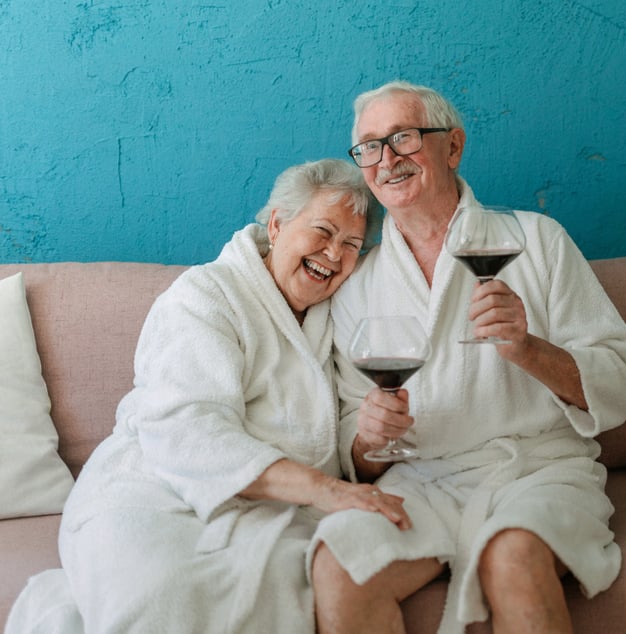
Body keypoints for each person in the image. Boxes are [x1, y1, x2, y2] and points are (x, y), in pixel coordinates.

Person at [6, 159, 404, 633]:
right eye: (323, 230)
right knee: (161, 594)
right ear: (277, 223)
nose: (334, 254)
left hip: (268, 510)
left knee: (292, 586)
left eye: (352, 245)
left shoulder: (336, 318)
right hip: (153, 491)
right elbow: (189, 429)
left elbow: (345, 438)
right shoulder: (205, 296)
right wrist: (327, 490)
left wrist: (368, 440)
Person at [310, 81, 626, 633]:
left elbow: (617, 383)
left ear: (452, 147)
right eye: (369, 147)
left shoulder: (538, 240)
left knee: (511, 556)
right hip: (421, 482)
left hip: (536, 471)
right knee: (341, 562)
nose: (386, 160)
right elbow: (356, 446)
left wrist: (527, 349)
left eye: (404, 138)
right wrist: (368, 437)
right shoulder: (357, 285)